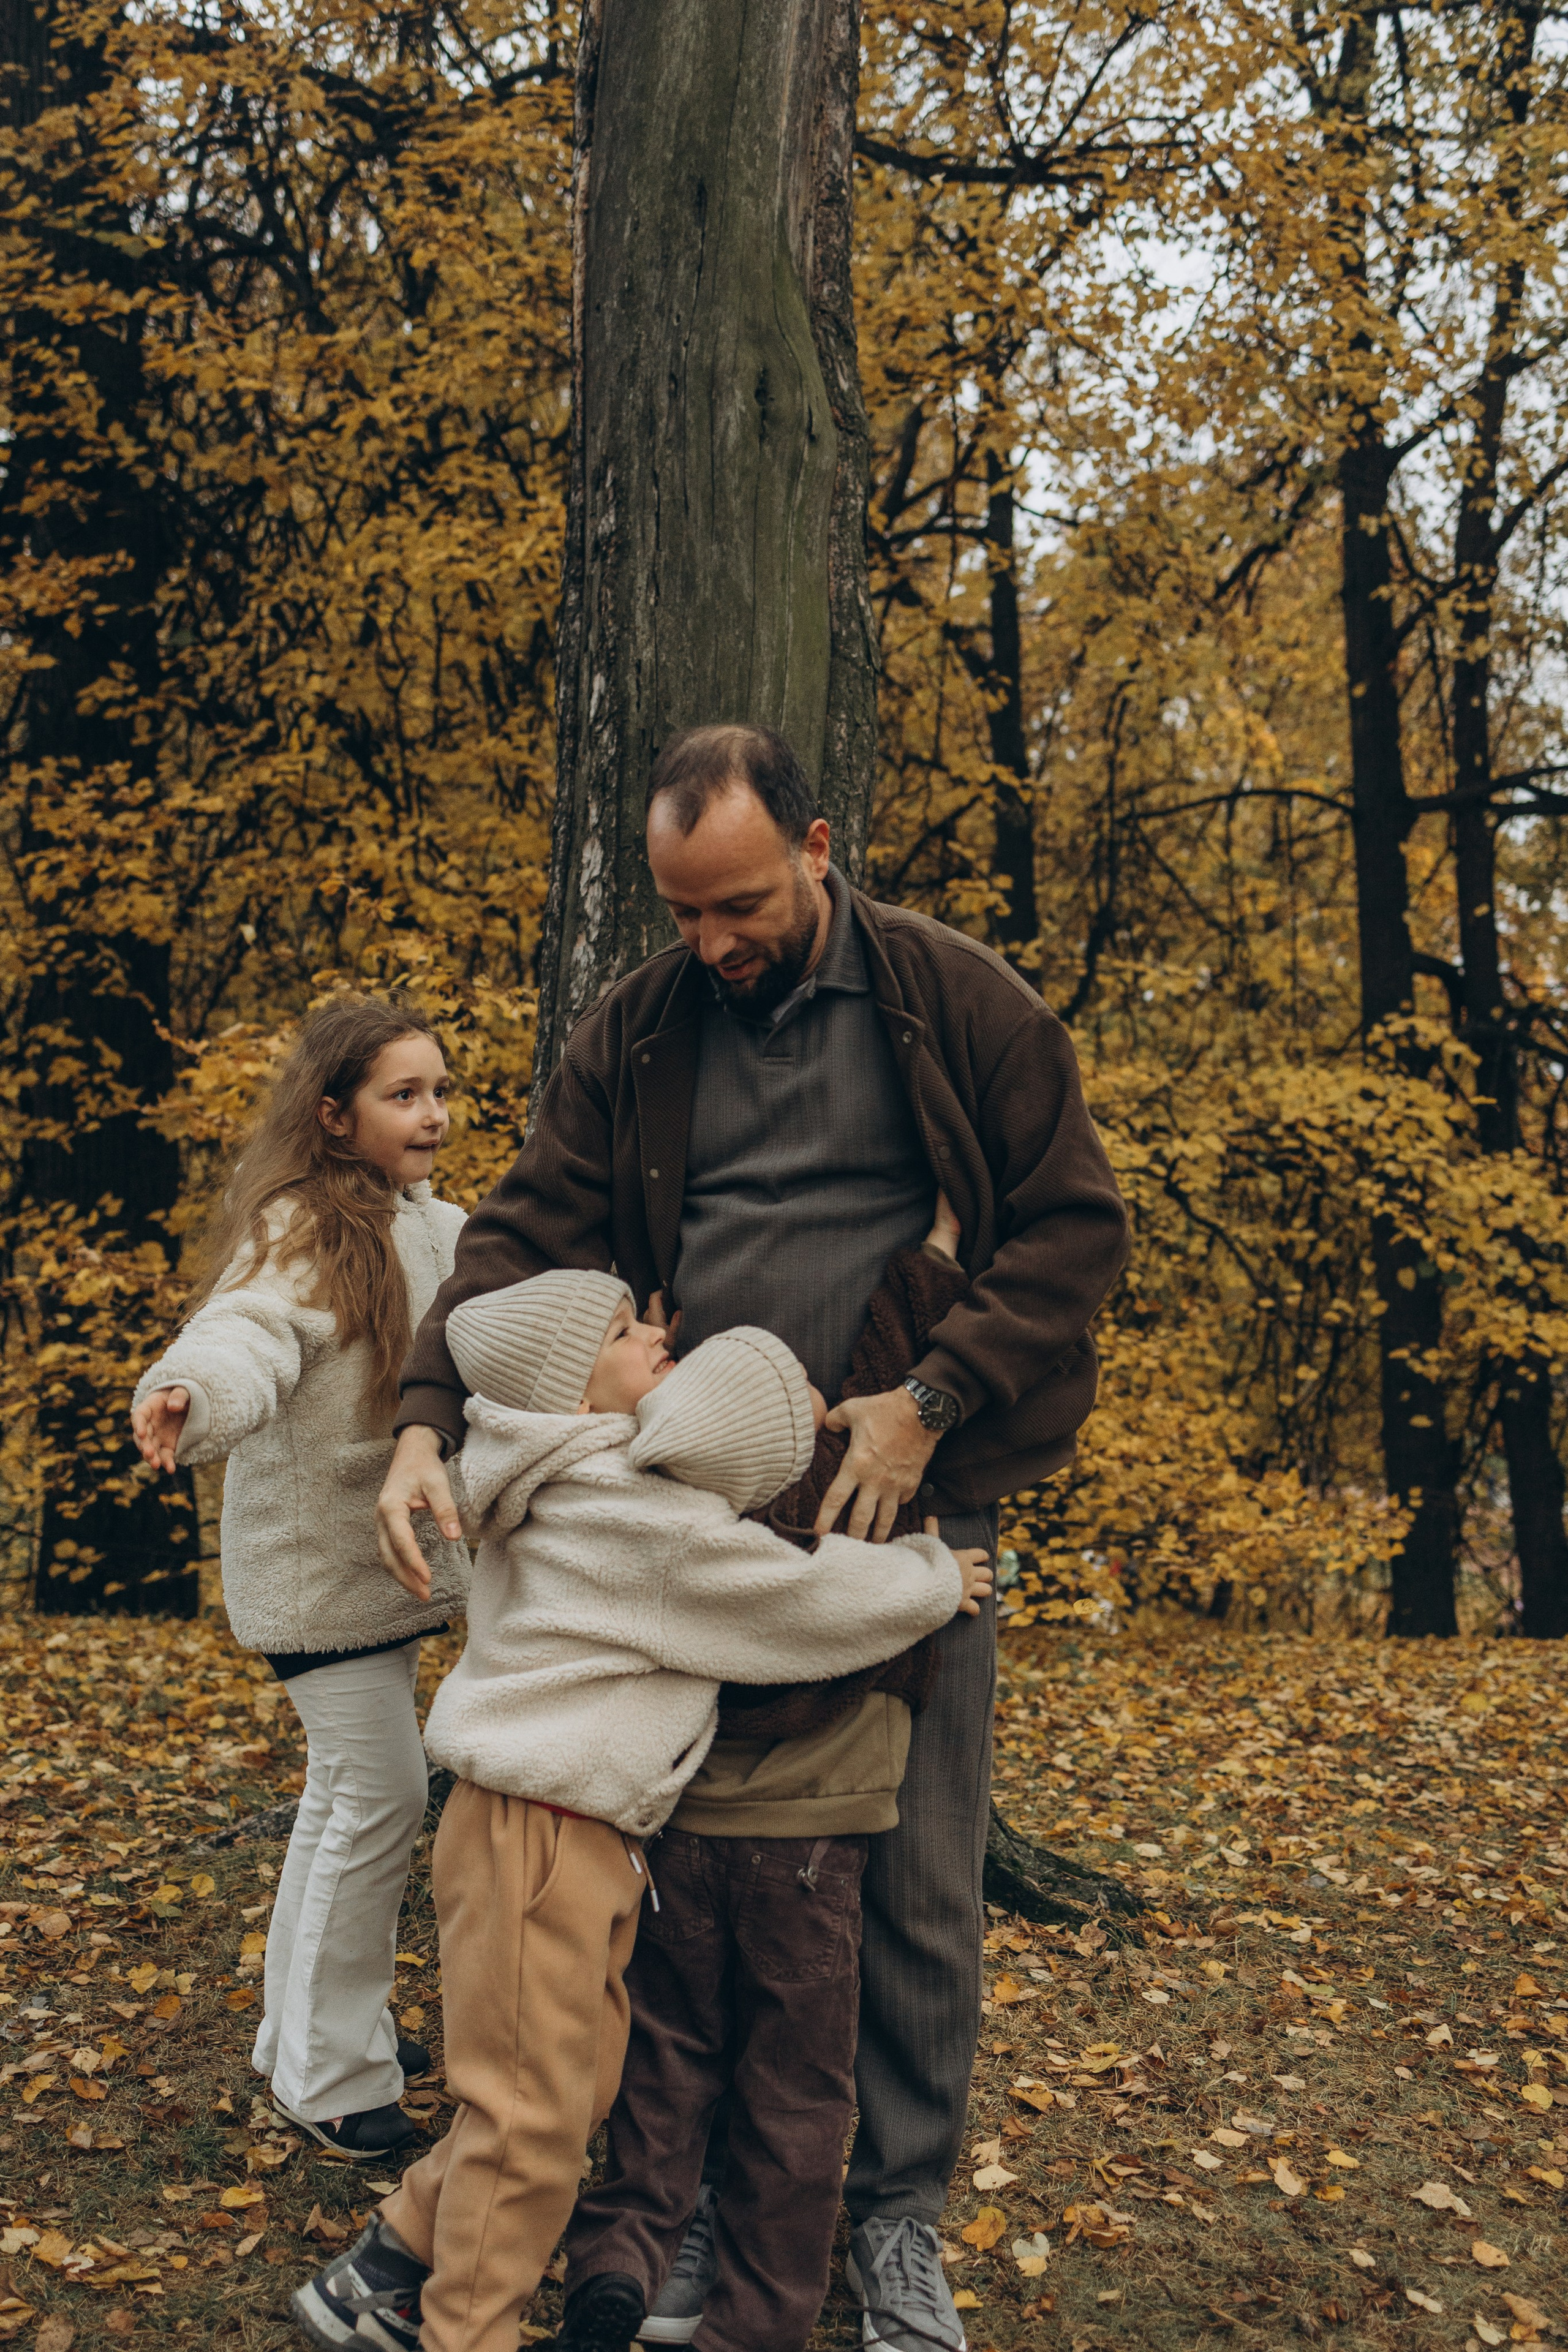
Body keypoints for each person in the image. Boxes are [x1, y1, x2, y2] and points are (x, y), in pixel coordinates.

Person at [378, 723, 1130, 2352]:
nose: (712, 941)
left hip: (903, 1489)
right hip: (693, 1519)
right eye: (683, 912)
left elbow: (1078, 1227)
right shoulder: (644, 1025)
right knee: (702, 1876)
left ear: (816, 846)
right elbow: (519, 1236)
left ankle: (896, 2220)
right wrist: (425, 1417)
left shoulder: (954, 1000)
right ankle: (701, 2198)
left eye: (739, 905)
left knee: (915, 1868)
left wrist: (929, 1399)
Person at [295, 1268, 989, 2352]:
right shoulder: (619, 1512)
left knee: (565, 2089)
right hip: (542, 1836)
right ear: (576, 1398)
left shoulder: (564, 1477)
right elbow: (784, 1595)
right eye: (624, 1333)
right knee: (532, 2116)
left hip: (564, 1833)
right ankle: (464, 2329)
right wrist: (931, 1580)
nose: (658, 1334)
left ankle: (388, 2260)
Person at [560, 1202, 978, 2352]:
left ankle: (625, 2252)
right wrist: (936, 1253)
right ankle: (754, 2321)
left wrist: (644, 1352)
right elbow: (888, 1358)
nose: (818, 1391)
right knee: (798, 2089)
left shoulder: (660, 1509)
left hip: (683, 1835)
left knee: (667, 2060)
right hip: (815, 1846)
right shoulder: (854, 1498)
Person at [130, 992, 470, 2161]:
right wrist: (191, 1393)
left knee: (345, 1796)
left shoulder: (442, 1224)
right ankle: (329, 2075)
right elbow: (246, 1332)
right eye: (402, 1095)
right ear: (334, 1115)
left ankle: (307, 2030)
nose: (432, 1114)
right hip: (317, 1578)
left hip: (384, 1572)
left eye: (440, 1091)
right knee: (381, 1796)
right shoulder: (302, 1228)